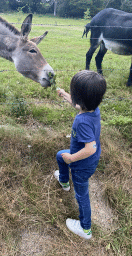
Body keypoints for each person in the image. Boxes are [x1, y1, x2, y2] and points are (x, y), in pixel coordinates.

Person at [55, 70, 106, 239]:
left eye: (73, 95)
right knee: (59, 155)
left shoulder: (82, 121)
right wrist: (64, 95)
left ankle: (85, 229)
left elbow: (90, 148)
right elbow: (78, 104)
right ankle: (64, 181)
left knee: (82, 195)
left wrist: (72, 158)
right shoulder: (93, 109)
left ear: (81, 100)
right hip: (89, 159)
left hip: (81, 164)